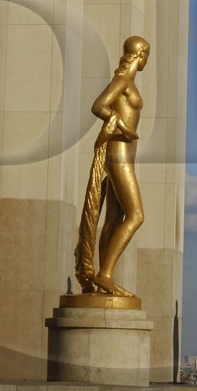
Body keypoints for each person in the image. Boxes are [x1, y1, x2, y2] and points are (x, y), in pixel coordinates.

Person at [74, 36, 150, 298]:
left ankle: (103, 277)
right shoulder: (123, 81)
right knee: (136, 215)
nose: (146, 61)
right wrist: (123, 125)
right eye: (145, 55)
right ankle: (105, 273)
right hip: (117, 153)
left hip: (125, 154)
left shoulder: (128, 81)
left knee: (114, 218)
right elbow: (99, 106)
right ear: (139, 55)